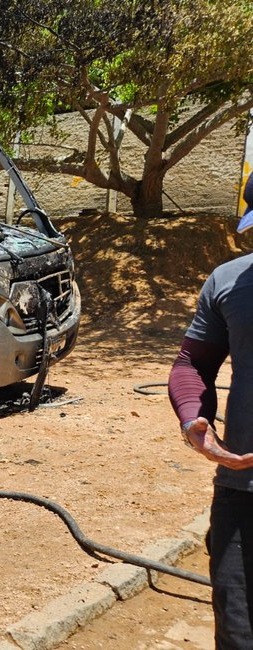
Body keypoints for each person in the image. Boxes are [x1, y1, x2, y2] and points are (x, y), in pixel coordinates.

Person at [169, 174, 253, 649]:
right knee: (237, 629)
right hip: (242, 490)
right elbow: (191, 364)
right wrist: (192, 418)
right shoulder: (228, 282)